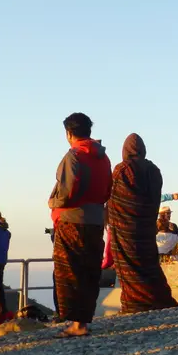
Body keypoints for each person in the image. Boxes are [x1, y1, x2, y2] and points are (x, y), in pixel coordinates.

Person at [48, 112, 113, 338]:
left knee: (69, 273)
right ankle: (83, 321)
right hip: (95, 221)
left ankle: (76, 324)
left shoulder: (74, 156)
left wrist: (52, 202)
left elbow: (66, 192)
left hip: (71, 221)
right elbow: (107, 191)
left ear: (69, 133)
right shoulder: (103, 158)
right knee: (89, 272)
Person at [108, 133, 178, 314]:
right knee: (149, 264)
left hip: (125, 230)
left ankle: (135, 303)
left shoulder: (122, 170)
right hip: (147, 227)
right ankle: (158, 298)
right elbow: (154, 199)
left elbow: (113, 199)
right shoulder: (154, 171)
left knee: (129, 266)